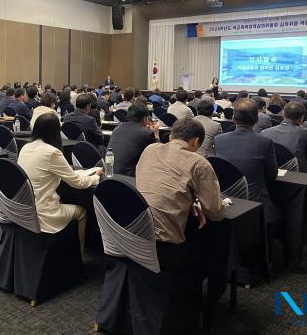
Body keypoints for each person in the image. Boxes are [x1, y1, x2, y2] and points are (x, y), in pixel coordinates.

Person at [136, 117, 224, 270]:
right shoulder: (199, 163)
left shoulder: (150, 149)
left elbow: (156, 184)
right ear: (196, 142)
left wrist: (188, 202)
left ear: (171, 137)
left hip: (135, 232)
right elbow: (216, 213)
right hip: (165, 246)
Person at [19, 113, 102, 252]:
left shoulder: (26, 147)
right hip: (44, 213)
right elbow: (77, 183)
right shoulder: (52, 152)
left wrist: (83, 173)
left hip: (26, 210)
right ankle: (78, 257)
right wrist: (95, 177)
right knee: (82, 212)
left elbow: (65, 174)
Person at [214, 99, 279, 222]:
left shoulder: (218, 140)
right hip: (254, 200)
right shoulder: (264, 142)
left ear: (233, 119)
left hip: (225, 198)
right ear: (256, 119)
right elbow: (272, 175)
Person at [261, 102, 307, 173]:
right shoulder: (305, 133)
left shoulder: (265, 132)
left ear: (283, 114)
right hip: (298, 175)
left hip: (270, 173)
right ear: (302, 117)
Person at [108, 103, 159, 176]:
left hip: (110, 174)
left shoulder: (117, 129)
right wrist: (156, 135)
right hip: (130, 178)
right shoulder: (147, 133)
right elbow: (157, 155)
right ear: (145, 119)